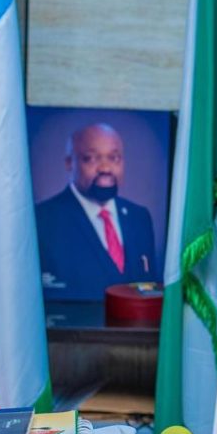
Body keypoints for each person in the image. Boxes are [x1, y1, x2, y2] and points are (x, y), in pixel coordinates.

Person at [35, 123, 158, 301]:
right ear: (69, 163)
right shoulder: (42, 220)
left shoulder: (139, 217)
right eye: (91, 159)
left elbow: (150, 291)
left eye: (114, 158)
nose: (105, 168)